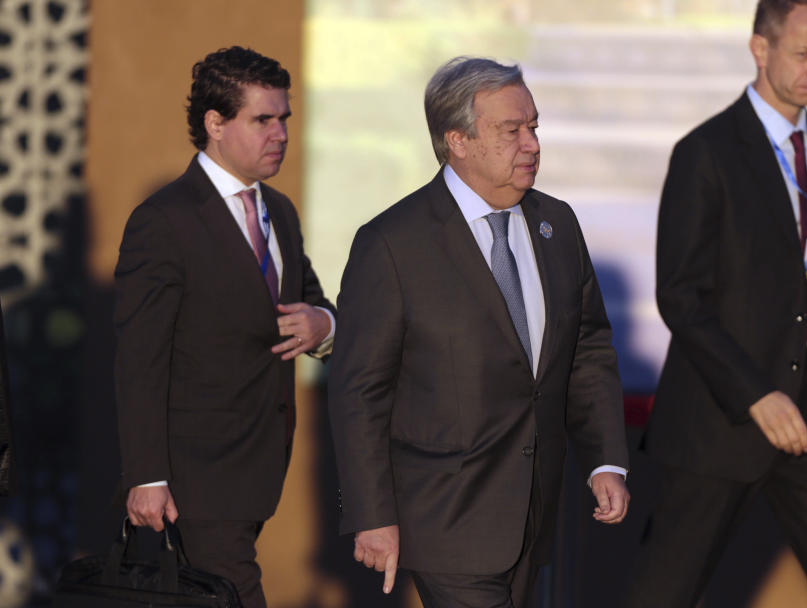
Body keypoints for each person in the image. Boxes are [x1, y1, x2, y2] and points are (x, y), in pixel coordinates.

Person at [627, 0, 807, 607]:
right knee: (660, 595)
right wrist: (756, 393)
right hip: (724, 417)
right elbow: (680, 296)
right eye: (805, 54)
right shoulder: (705, 152)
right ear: (760, 47)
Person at [327, 56, 630, 608]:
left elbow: (587, 349)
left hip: (535, 520)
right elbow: (359, 392)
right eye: (511, 130)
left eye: (533, 126)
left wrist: (606, 458)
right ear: (458, 141)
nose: (532, 143)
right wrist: (372, 515)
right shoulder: (393, 244)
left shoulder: (556, 224)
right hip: (444, 520)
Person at [113, 46, 335, 608]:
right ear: (215, 124)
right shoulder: (165, 220)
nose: (280, 133)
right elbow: (140, 357)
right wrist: (146, 475)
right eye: (263, 119)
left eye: (284, 118)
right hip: (193, 479)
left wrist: (323, 324)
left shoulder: (279, 211)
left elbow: (314, 304)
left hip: (258, 469)